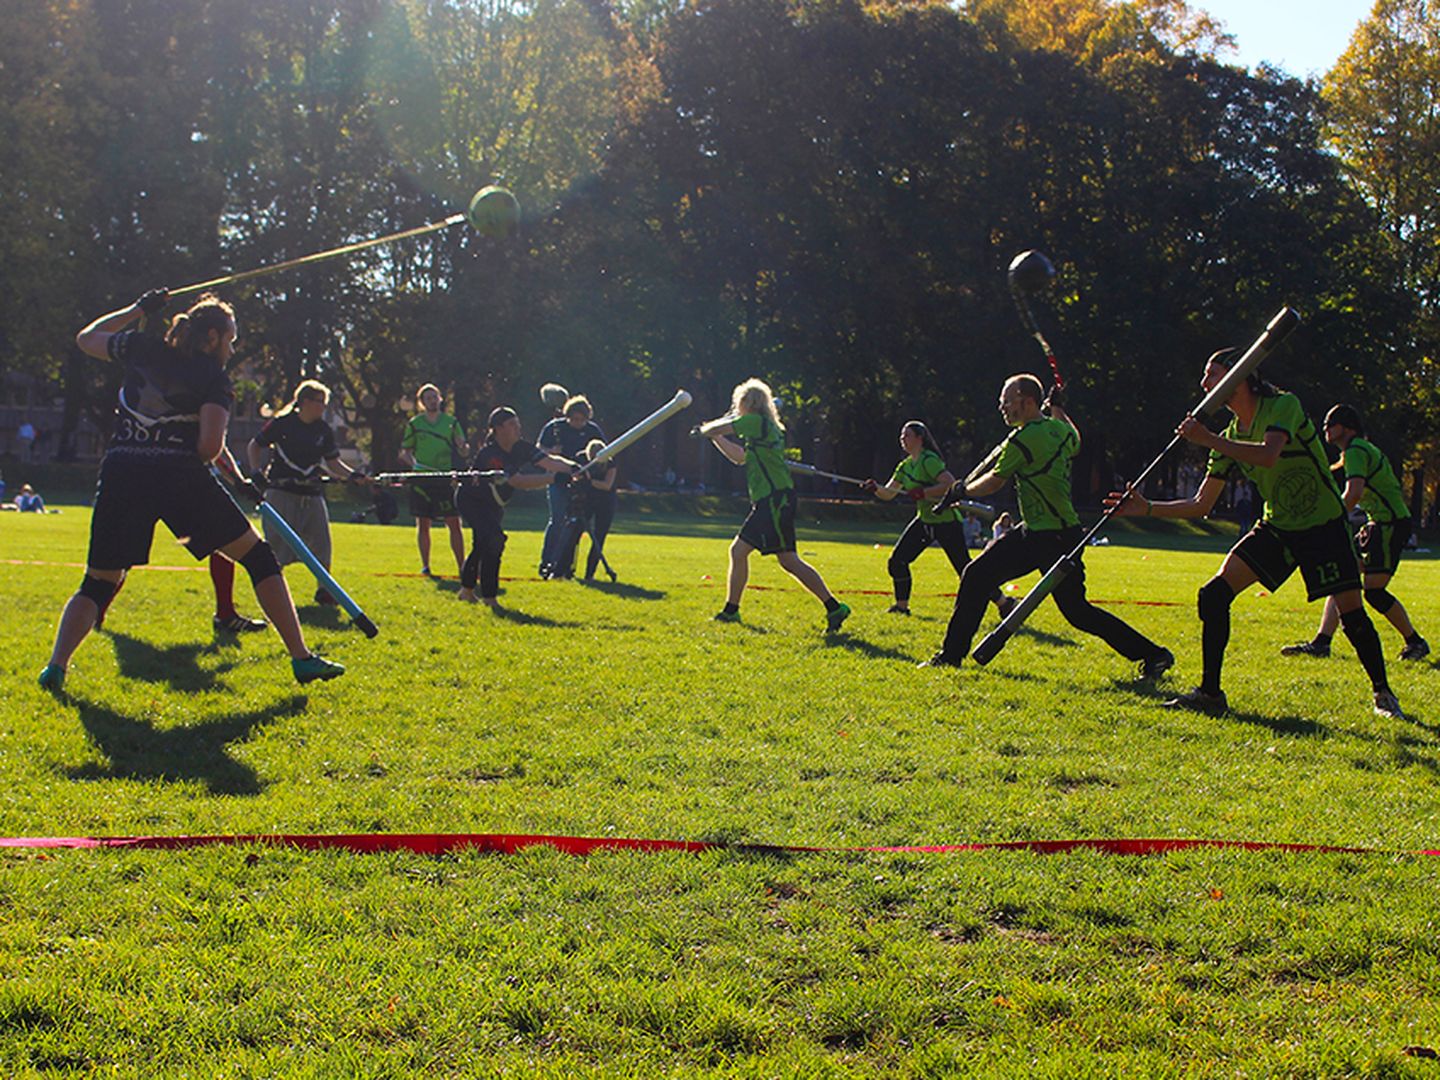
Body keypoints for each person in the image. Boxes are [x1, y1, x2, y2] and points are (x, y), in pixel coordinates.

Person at [39, 289, 343, 692]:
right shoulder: (213, 378)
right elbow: (208, 447)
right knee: (259, 558)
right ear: (213, 337)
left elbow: (87, 338)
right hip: (180, 478)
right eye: (231, 339)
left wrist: (137, 310)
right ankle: (301, 659)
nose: (233, 348)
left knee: (98, 581)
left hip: (122, 473)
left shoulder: (141, 346)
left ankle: (56, 668)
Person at [1106, 351, 1402, 719]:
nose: (1203, 384)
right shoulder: (1230, 436)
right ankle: (1210, 694)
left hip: (1324, 526)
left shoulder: (1283, 405)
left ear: (1239, 377)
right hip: (1278, 527)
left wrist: (1208, 439)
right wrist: (1146, 507)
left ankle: (1383, 695)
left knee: (1353, 615)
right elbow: (1202, 504)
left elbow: (1268, 455)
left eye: (1211, 374)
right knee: (1213, 595)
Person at [925, 374, 1173, 677]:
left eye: (1007, 401)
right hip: (1045, 531)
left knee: (1077, 612)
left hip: (1051, 538)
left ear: (1027, 402)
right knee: (977, 575)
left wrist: (962, 490)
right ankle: (951, 655)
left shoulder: (1023, 439)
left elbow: (994, 482)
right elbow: (1074, 438)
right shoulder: (1057, 430)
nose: (1002, 407)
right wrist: (1057, 407)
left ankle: (1155, 655)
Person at [697, 378, 851, 631]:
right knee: (776, 558)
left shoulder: (756, 422)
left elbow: (720, 428)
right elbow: (740, 457)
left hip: (775, 500)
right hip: (772, 499)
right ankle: (834, 608)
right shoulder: (762, 427)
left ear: (748, 403)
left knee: (761, 555)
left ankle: (732, 611)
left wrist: (705, 429)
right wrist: (712, 436)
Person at [1279, 404, 1428, 662]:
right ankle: (1322, 643)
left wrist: (1330, 519)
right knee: (1344, 577)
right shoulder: (1354, 452)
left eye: (1330, 424)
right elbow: (1331, 473)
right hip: (1378, 524)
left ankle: (1415, 642)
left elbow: (1354, 492)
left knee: (1374, 592)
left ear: (1346, 427)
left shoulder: (1356, 449)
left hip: (1389, 525)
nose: (1325, 428)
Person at [861, 421, 1013, 618]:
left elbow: (950, 484)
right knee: (897, 561)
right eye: (901, 436)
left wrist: (923, 492)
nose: (902, 439)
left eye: (907, 435)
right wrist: (875, 489)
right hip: (925, 521)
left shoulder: (929, 460)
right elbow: (889, 493)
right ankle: (901, 606)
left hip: (946, 521)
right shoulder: (905, 466)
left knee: (966, 570)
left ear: (919, 438)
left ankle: (1004, 603)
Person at [248, 379, 368, 605]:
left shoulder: (323, 430)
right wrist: (255, 471)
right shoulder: (282, 424)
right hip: (281, 492)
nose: (323, 407)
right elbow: (254, 445)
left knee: (321, 544)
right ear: (304, 402)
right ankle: (273, 593)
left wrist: (353, 476)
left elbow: (334, 463)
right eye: (319, 402)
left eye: (325, 403)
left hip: (312, 495)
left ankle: (324, 590)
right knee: (276, 546)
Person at [455, 407, 578, 606]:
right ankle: (490, 597)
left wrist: (574, 467)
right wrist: (554, 478)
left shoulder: (521, 447)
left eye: (518, 423)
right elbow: (517, 481)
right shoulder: (491, 455)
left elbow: (550, 461)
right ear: (497, 429)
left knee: (482, 545)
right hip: (472, 501)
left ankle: (466, 590)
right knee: (494, 540)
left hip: (493, 503)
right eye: (512, 424)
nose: (518, 428)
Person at [399, 383, 467, 577]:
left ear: (440, 399)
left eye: (435, 397)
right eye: (428, 398)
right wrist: (414, 466)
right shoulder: (415, 424)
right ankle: (426, 566)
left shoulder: (451, 422)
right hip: (421, 479)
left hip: (444, 478)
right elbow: (405, 452)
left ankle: (462, 566)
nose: (432, 400)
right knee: (423, 523)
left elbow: (463, 450)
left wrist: (463, 447)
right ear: (422, 402)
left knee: (454, 522)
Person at [537, 395, 604, 578]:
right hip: (558, 479)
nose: (577, 423)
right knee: (558, 520)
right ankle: (547, 562)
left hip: (581, 483)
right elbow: (538, 451)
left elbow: (602, 453)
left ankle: (565, 565)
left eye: (581, 420)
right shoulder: (554, 427)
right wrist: (551, 451)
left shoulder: (593, 430)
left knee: (574, 525)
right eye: (574, 419)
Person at [552, 438, 618, 581]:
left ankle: (590, 574)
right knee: (574, 533)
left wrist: (589, 480)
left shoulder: (610, 462)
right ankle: (562, 571)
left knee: (599, 536)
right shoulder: (580, 459)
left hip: (605, 501)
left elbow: (607, 485)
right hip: (586, 499)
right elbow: (573, 476)